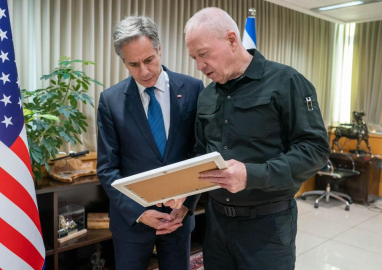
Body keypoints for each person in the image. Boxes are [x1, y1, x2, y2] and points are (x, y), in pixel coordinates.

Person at [184, 7, 331, 270]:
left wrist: (252, 175)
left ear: (232, 40)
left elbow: (315, 150)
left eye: (203, 54)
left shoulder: (286, 81)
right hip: (216, 223)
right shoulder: (207, 95)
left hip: (268, 225)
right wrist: (178, 189)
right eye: (194, 57)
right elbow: (200, 151)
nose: (199, 66)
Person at [97, 16, 205, 270]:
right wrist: (140, 212)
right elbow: (107, 168)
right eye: (133, 64)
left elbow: (199, 152)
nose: (144, 71)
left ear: (159, 49)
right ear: (124, 62)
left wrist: (188, 204)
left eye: (149, 60)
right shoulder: (111, 101)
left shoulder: (193, 89)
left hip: (178, 218)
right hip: (132, 223)